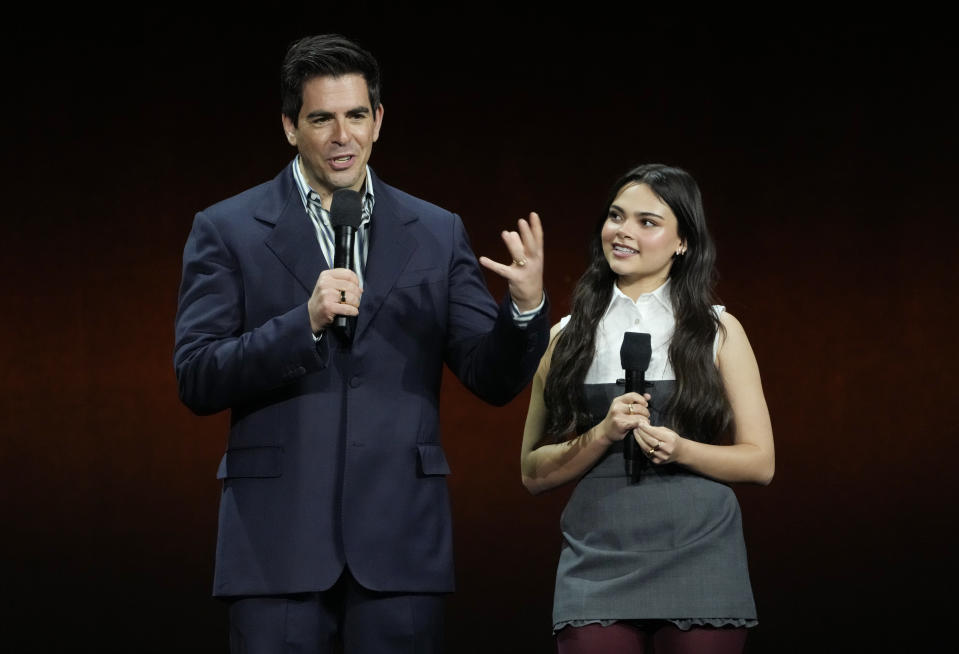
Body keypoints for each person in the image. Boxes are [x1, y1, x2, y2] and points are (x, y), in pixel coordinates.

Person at [173, 33, 549, 653]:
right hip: (277, 545)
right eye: (321, 118)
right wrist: (305, 323)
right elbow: (197, 375)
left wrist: (525, 307)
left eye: (355, 116)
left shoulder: (434, 230)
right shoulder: (228, 228)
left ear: (378, 121)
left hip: (400, 541)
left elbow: (491, 376)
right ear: (291, 127)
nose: (341, 136)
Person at [520, 163, 774, 653]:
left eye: (647, 222)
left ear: (683, 241)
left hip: (701, 555)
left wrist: (681, 449)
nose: (624, 232)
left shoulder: (718, 331)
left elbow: (760, 462)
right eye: (616, 217)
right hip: (596, 561)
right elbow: (532, 472)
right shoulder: (565, 337)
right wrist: (600, 434)